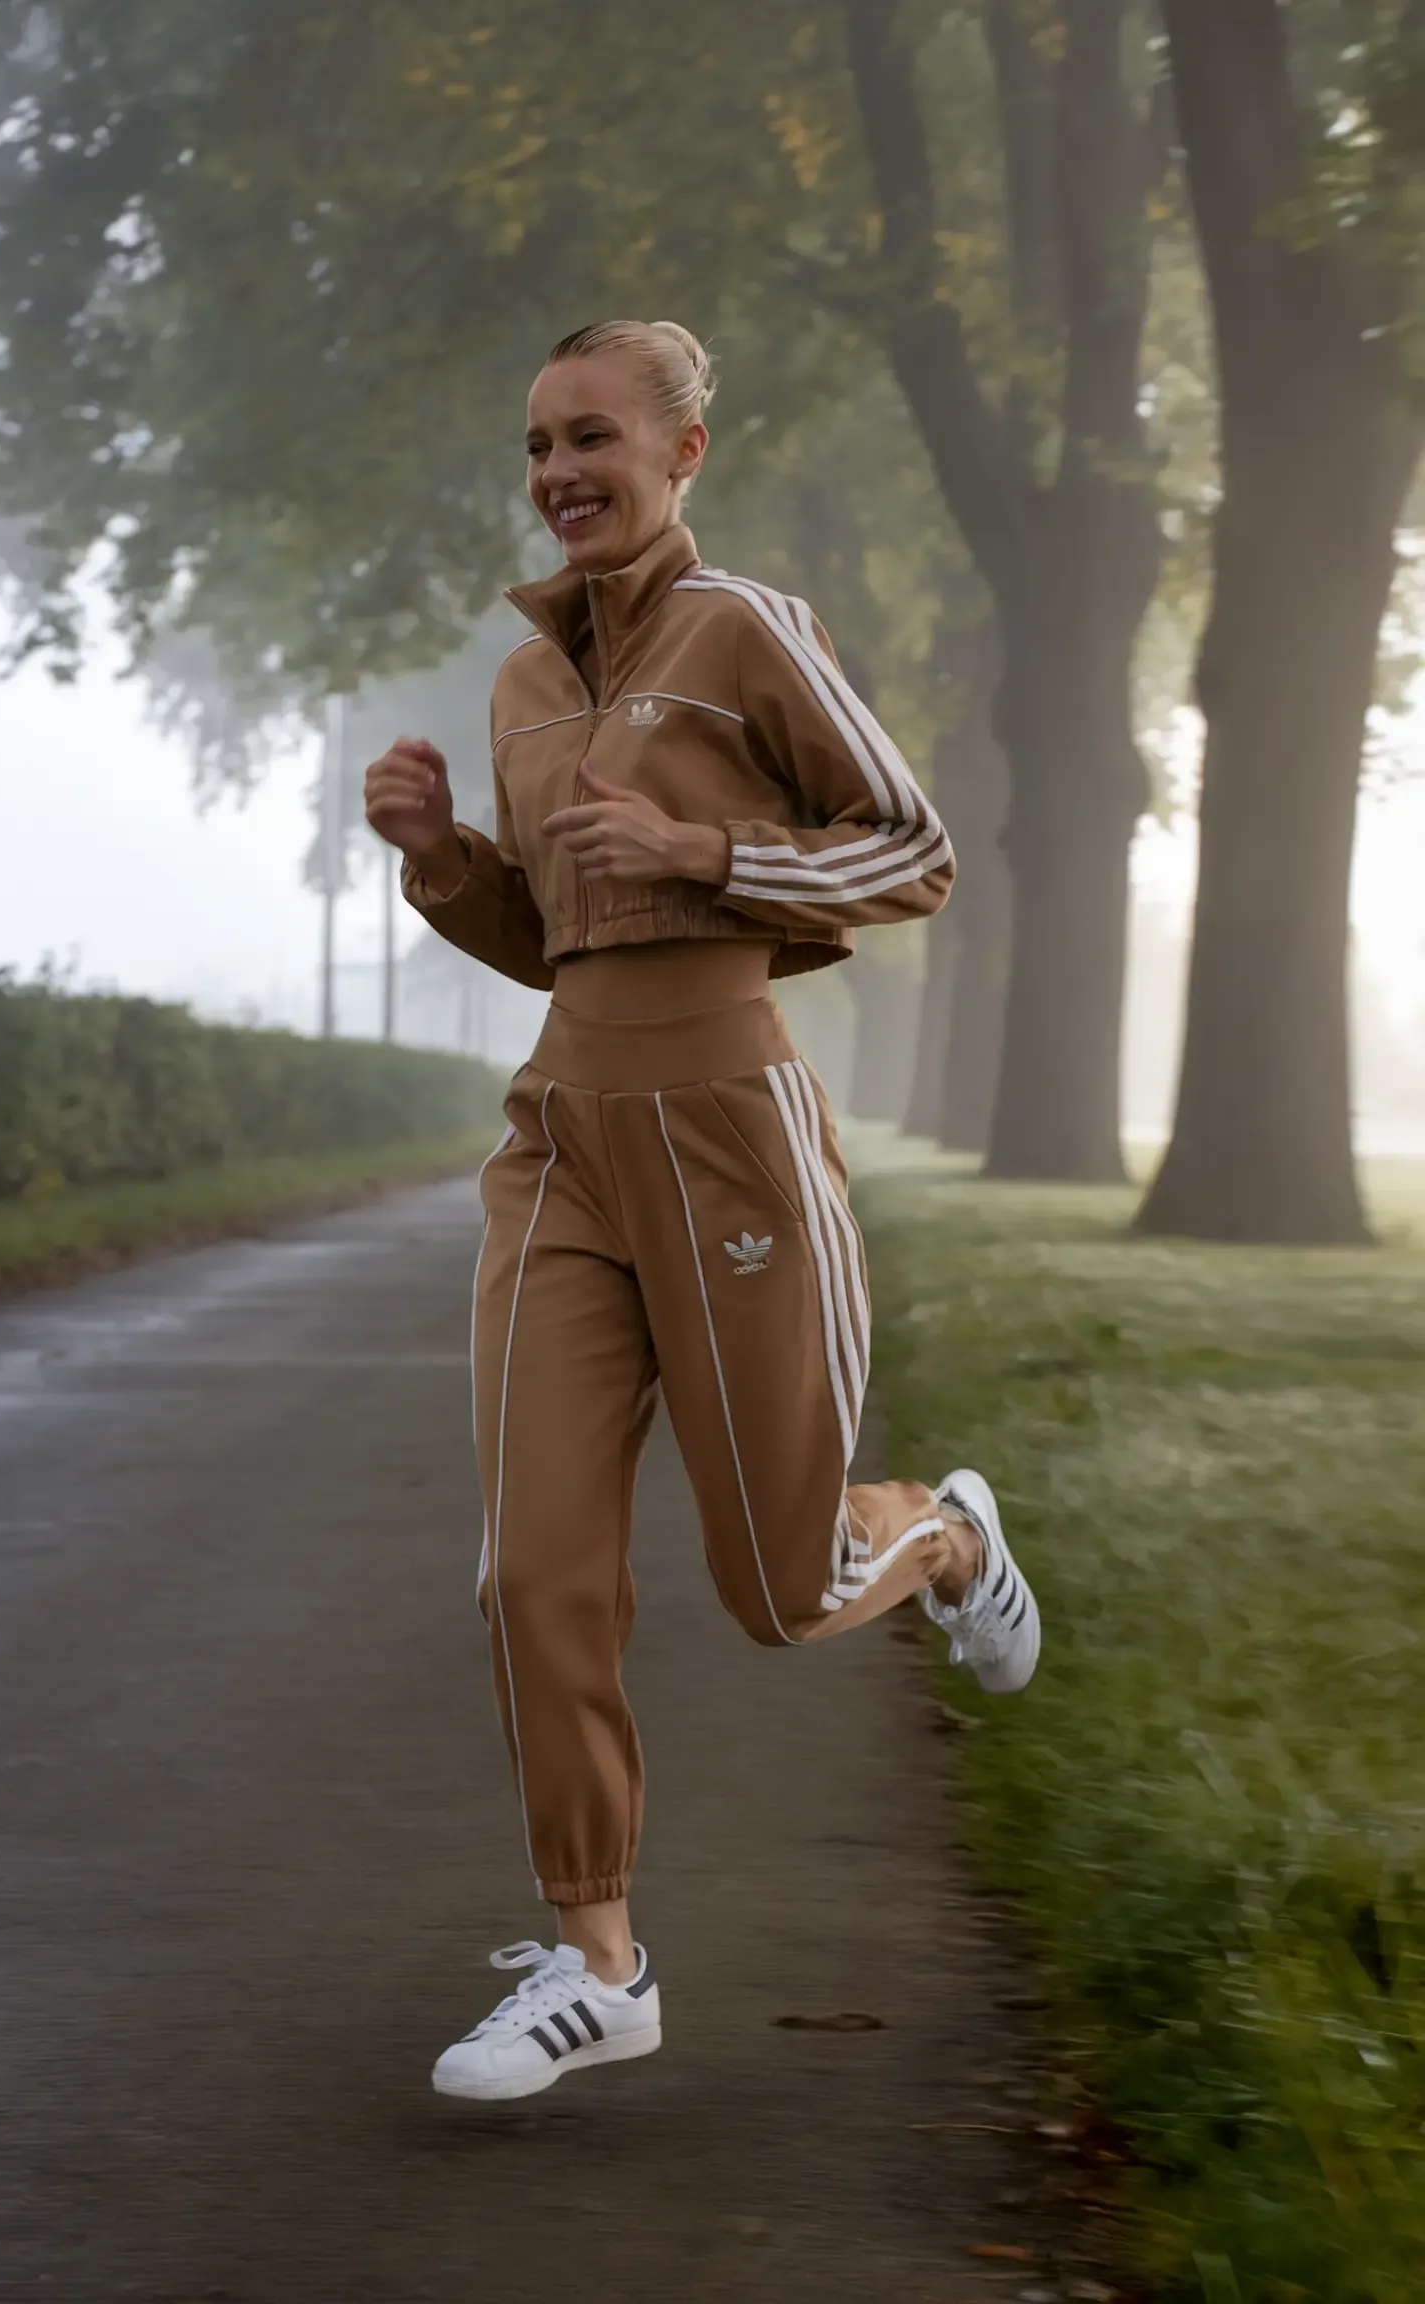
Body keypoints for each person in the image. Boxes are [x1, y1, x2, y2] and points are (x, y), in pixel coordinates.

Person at [365, 318, 1039, 2105]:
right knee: (533, 1570)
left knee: (784, 1579)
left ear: (684, 454)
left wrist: (709, 854)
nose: (558, 471)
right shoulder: (525, 686)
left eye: (592, 435)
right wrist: (444, 862)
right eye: (535, 444)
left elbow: (914, 848)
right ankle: (600, 1958)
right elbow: (554, 934)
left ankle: (947, 1539)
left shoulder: (746, 628)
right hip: (565, 1139)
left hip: (733, 1131)